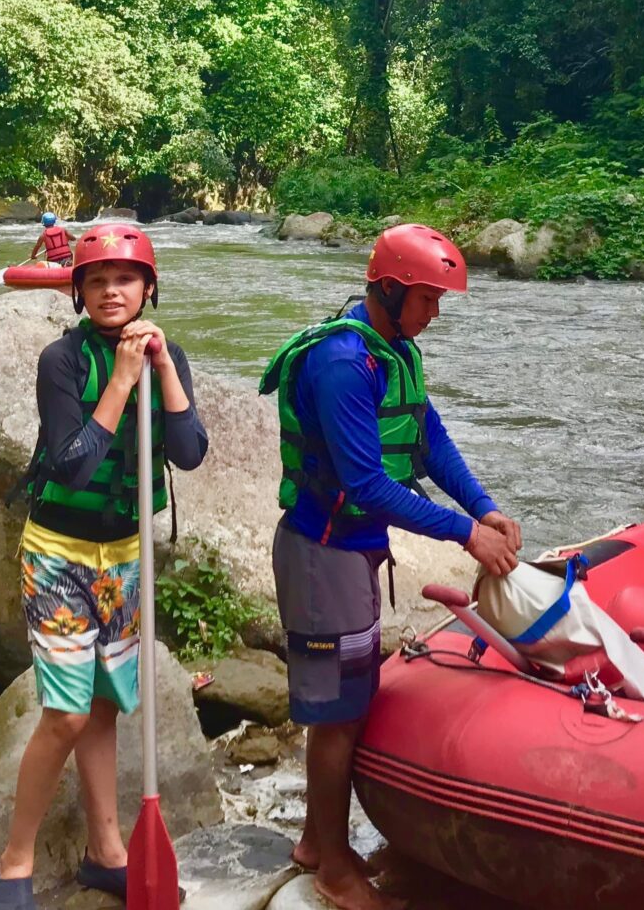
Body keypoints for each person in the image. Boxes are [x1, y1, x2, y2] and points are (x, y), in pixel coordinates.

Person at [258, 224, 520, 910]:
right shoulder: (343, 364)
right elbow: (368, 483)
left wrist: (483, 506)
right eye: (427, 299)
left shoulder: (393, 350)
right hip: (323, 555)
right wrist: (465, 534)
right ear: (388, 289)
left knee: (347, 702)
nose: (434, 314)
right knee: (338, 715)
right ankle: (333, 869)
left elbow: (429, 437)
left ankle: (318, 841)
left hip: (350, 552)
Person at [0, 223, 208, 910]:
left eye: (126, 279)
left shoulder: (165, 350)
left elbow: (192, 450)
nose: (113, 290)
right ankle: (13, 860)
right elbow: (74, 465)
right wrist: (120, 379)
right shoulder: (61, 359)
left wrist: (164, 370)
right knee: (65, 714)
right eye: (98, 280)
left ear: (148, 288)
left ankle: (105, 849)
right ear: (80, 292)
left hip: (124, 554)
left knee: (106, 704)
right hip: (58, 554)